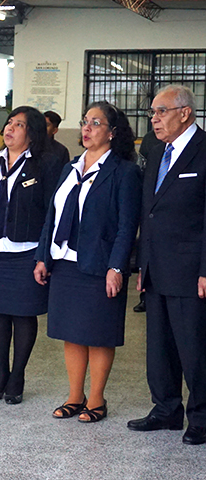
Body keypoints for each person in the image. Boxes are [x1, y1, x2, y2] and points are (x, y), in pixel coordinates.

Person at [34, 102, 141, 423]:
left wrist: (117, 267)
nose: (87, 128)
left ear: (112, 132)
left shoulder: (124, 171)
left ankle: (96, 399)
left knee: (99, 333)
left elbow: (127, 225)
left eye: (96, 123)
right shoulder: (70, 168)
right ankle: (74, 395)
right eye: (85, 122)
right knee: (72, 332)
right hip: (65, 262)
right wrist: (43, 257)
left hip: (99, 265)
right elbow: (52, 216)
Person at [0, 106, 60, 404]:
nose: (9, 128)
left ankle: (17, 376)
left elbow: (51, 213)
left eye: (18, 125)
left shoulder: (44, 163)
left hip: (24, 252)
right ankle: (0, 375)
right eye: (9, 123)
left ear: (31, 133)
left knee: (23, 314)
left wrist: (44, 255)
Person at [128, 85, 206, 446]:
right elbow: (150, 211)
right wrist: (142, 263)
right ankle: (167, 409)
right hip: (156, 265)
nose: (154, 119)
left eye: (161, 112)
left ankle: (202, 417)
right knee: (159, 346)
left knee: (195, 347)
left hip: (191, 269)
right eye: (152, 113)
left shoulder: (204, 151)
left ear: (185, 113)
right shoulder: (157, 150)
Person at [132, 129, 161, 313]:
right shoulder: (150, 139)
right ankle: (145, 296)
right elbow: (141, 167)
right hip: (149, 199)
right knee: (146, 244)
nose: (156, 119)